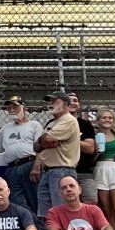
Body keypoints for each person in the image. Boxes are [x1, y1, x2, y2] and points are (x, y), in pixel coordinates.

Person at [32, 89, 84, 220]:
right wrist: (45, 140)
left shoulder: (68, 120)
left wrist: (45, 140)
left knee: (61, 213)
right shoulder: (52, 123)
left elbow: (45, 140)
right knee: (47, 215)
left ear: (66, 104)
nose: (51, 103)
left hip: (62, 171)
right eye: (50, 100)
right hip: (48, 171)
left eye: (55, 100)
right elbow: (37, 147)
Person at [0, 95, 44, 212]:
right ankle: (29, 225)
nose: (11, 110)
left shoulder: (35, 125)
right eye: (9, 108)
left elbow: (40, 147)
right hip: (12, 169)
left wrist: (37, 165)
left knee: (35, 201)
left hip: (29, 164)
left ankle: (39, 229)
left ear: (24, 108)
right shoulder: (5, 128)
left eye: (15, 107)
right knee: (17, 202)